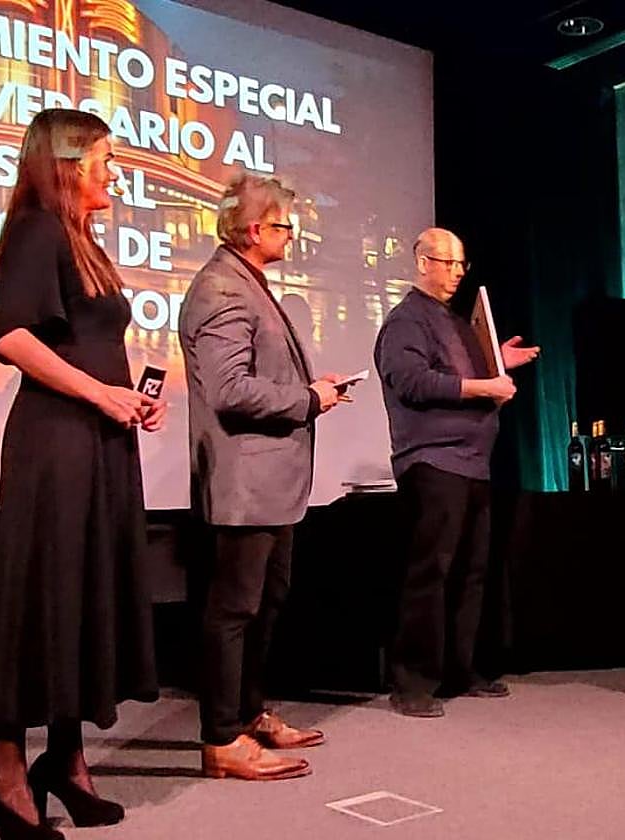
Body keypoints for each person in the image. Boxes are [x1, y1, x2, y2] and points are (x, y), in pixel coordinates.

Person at [0, 109, 165, 839]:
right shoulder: (36, 231)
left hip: (96, 443)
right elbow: (9, 335)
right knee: (43, 595)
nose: (114, 172)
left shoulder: (81, 241)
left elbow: (84, 343)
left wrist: (130, 403)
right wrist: (98, 393)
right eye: (106, 159)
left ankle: (68, 760)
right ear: (69, 163)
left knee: (81, 595)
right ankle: (5, 773)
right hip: (55, 448)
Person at [180, 173, 347, 780]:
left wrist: (310, 393)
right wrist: (307, 398)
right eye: (284, 226)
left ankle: (249, 714)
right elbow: (229, 391)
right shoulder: (222, 289)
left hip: (271, 486)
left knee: (266, 603)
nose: (291, 236)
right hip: (245, 483)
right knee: (234, 610)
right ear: (255, 230)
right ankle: (221, 736)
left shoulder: (248, 283)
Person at [374, 227, 539, 718]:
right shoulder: (405, 321)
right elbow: (412, 380)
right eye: (447, 263)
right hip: (433, 460)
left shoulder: (452, 320)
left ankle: (459, 669)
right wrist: (484, 387)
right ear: (422, 262)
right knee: (432, 572)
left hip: (472, 463)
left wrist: (497, 361)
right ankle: (413, 683)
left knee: (471, 572)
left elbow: (465, 370)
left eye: (461, 264)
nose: (456, 272)